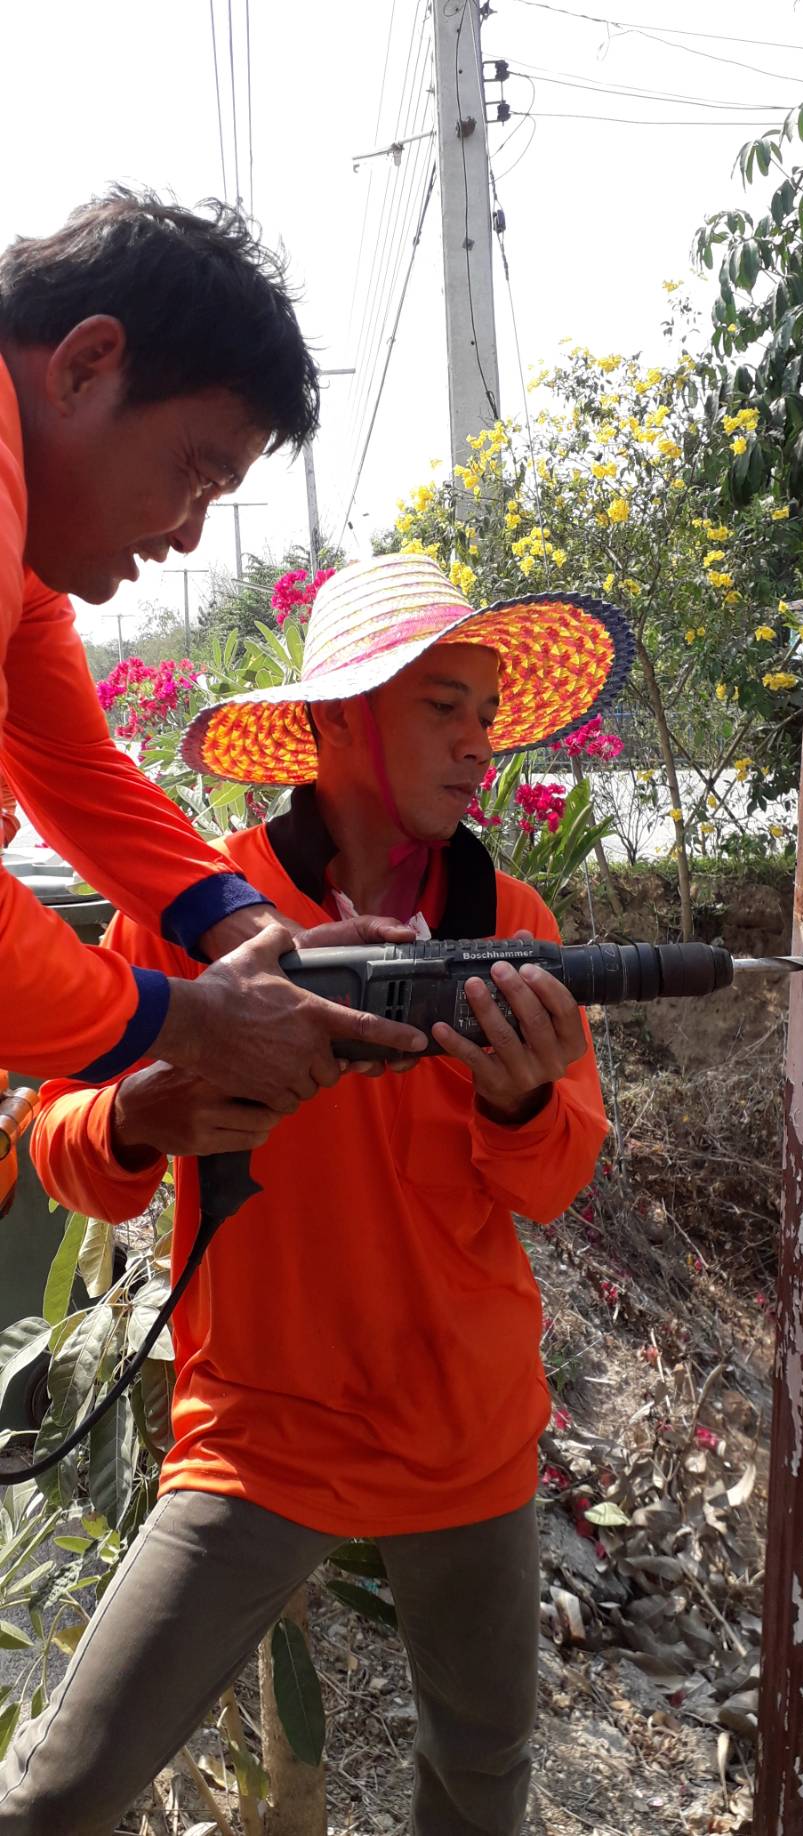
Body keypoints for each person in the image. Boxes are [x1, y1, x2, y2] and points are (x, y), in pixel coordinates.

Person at [1, 552, 634, 1835]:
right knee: (57, 1795)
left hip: (465, 1435)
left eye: (485, 715)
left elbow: (558, 1177)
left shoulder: (511, 921)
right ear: (338, 718)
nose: (478, 745)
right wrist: (139, 1114)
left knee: (479, 1787)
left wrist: (519, 1101)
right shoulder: (194, 913)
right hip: (260, 1437)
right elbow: (59, 1145)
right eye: (441, 707)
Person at [0, 189, 424, 1104]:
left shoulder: (26, 570)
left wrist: (262, 936)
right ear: (84, 367)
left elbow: (77, 771)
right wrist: (193, 1022)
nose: (190, 536)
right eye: (196, 474)